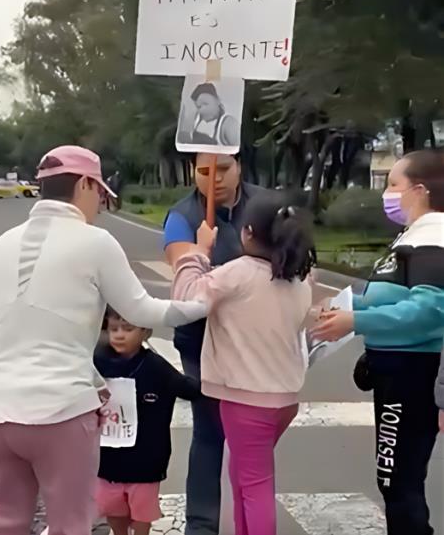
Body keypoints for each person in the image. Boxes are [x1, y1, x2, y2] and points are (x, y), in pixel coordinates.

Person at [0, 145, 205, 535]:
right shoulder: (95, 242)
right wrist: (201, 305)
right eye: (100, 192)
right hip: (62, 412)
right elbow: (142, 311)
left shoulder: (3, 243)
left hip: (0, 411)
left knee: (6, 519)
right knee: (70, 522)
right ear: (86, 184)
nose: (100, 203)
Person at [312, 150, 444, 535]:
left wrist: (358, 320)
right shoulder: (414, 235)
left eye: (393, 185)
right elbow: (393, 295)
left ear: (419, 191)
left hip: (411, 373)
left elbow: (430, 311)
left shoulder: (433, 239)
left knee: (398, 480)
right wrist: (344, 304)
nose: (387, 194)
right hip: (392, 371)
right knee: (394, 479)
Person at [172, 194, 316, 535]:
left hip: (247, 401)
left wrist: (197, 252)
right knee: (243, 474)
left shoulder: (238, 273)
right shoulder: (299, 279)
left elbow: (186, 299)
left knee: (255, 484)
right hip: (282, 399)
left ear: (247, 233)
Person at [162, 152, 264, 535]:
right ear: (193, 172)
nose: (214, 178)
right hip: (201, 342)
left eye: (223, 168)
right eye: (204, 170)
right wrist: (201, 251)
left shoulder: (266, 206)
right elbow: (184, 274)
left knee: (250, 441)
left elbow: (295, 261)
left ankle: (251, 522)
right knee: (209, 433)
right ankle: (201, 526)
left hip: (257, 341)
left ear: (239, 166)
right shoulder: (182, 216)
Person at [94, 309, 201, 535]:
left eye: (128, 329)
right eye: (114, 329)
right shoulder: (98, 362)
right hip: (107, 458)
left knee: (143, 511)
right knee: (112, 506)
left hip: (146, 459)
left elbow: (188, 388)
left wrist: (218, 384)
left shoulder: (156, 367)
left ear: (145, 332)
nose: (119, 335)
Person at [178, 83, 240, 147]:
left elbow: (241, 150)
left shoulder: (229, 124)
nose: (202, 110)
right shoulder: (195, 119)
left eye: (206, 104)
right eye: (198, 106)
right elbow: (181, 137)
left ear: (218, 100)